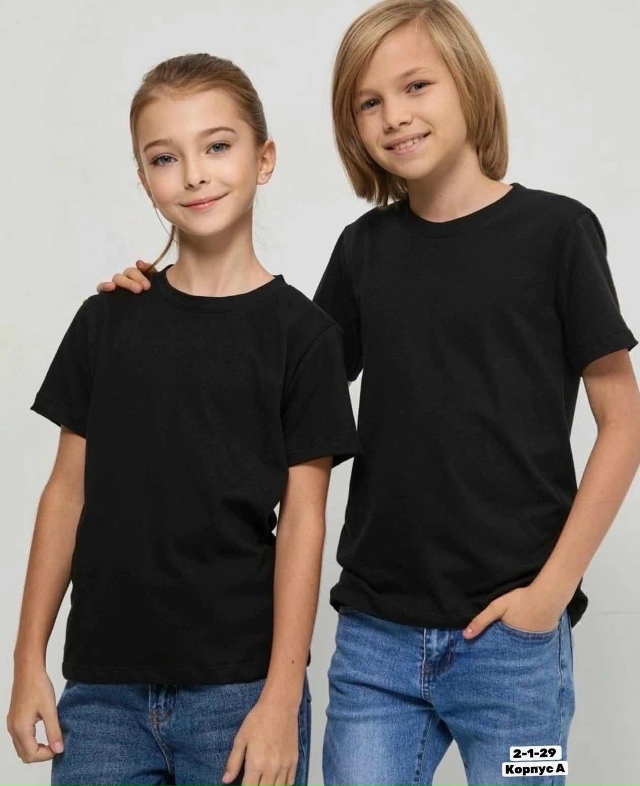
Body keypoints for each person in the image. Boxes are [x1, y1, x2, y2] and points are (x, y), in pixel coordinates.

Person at [91, 1, 640, 784]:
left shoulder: (558, 233)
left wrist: (548, 596)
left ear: (468, 83)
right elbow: (273, 378)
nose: (394, 117)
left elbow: (623, 421)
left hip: (516, 648)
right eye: (368, 102)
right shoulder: (364, 250)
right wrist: (158, 301)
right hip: (376, 643)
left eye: (416, 86)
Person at [7, 53, 359, 786]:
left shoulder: (305, 338)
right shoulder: (107, 320)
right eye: (165, 158)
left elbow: (303, 523)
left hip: (238, 693)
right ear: (144, 178)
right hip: (101, 697)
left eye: (217, 146)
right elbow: (66, 495)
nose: (194, 175)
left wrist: (281, 698)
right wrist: (27, 660)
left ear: (264, 159)